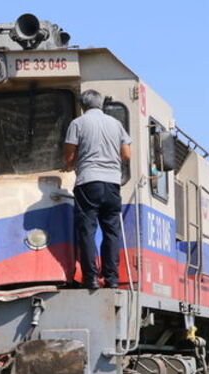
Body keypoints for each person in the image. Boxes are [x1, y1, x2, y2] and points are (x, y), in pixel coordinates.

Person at [63, 90, 132, 289]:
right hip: (112, 184)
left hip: (88, 183)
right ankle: (112, 279)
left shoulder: (77, 123)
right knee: (111, 231)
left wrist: (70, 165)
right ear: (101, 104)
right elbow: (127, 154)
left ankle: (91, 278)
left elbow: (69, 156)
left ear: (82, 106)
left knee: (87, 231)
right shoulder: (116, 124)